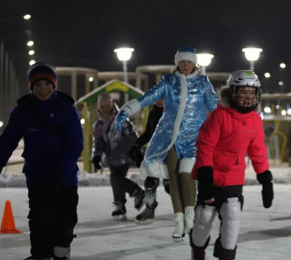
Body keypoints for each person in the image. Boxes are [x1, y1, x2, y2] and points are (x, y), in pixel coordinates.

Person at [0, 62, 83, 260]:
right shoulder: (23, 111)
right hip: (38, 175)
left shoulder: (66, 109)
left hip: (65, 177)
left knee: (66, 219)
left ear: (54, 85)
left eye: (47, 84)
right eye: (37, 84)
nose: (42, 88)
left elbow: (75, 144)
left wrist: (61, 171)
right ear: (31, 87)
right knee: (40, 219)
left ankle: (60, 251)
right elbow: (8, 140)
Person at [115, 46, 218, 240]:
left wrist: (231, 125)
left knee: (187, 176)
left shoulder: (203, 83)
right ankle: (179, 222)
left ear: (194, 62)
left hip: (194, 139)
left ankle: (190, 219)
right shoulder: (169, 82)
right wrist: (126, 110)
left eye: (189, 61)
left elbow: (215, 108)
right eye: (182, 61)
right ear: (177, 63)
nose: (185, 65)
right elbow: (147, 98)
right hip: (169, 139)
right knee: (174, 179)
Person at [189, 70, 273, 260]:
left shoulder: (254, 120)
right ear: (232, 93)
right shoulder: (220, 116)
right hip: (212, 177)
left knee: (232, 216)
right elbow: (205, 146)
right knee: (204, 219)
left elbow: (258, 151)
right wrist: (206, 176)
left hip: (234, 179)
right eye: (243, 92)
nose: (247, 97)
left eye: (251, 93)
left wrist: (265, 178)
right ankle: (198, 248)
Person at [92, 93, 144, 221]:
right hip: (110, 158)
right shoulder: (98, 125)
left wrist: (136, 150)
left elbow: (132, 136)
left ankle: (120, 205)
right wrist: (96, 156)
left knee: (115, 178)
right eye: (102, 106)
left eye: (108, 105)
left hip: (123, 155)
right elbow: (98, 142)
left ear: (112, 104)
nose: (105, 109)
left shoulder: (121, 119)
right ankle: (136, 192)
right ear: (99, 107)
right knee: (117, 179)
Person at [128, 99, 171, 225]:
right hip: (155, 153)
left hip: (170, 153)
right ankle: (149, 209)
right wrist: (136, 144)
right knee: (150, 182)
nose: (158, 100)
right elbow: (148, 133)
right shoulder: (153, 112)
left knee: (171, 186)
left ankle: (185, 209)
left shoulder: (173, 111)